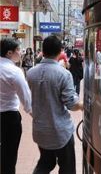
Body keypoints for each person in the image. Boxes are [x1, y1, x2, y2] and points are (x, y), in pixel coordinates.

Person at [26, 35, 84, 174]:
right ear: (60, 52)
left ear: (43, 51)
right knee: (67, 168)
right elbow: (72, 104)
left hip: (40, 130)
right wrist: (84, 105)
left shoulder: (30, 73)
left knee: (45, 163)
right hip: (60, 131)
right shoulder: (63, 74)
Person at [0, 38, 32, 174]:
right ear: (9, 53)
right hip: (9, 117)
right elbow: (26, 98)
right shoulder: (14, 71)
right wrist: (34, 115)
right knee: (9, 154)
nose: (21, 53)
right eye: (18, 50)